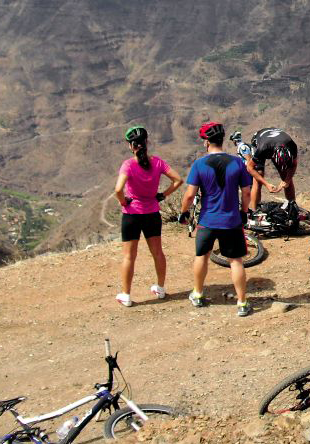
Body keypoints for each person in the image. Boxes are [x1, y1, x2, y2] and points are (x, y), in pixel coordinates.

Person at [180, 122, 253, 316]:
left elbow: (189, 195)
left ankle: (197, 293)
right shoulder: (237, 163)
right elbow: (246, 192)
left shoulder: (199, 164)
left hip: (207, 220)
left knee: (201, 256)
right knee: (236, 261)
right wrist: (244, 213)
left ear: (206, 142)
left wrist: (184, 212)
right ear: (222, 140)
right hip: (231, 221)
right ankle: (242, 303)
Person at [113, 125, 182, 307]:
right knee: (157, 252)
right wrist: (163, 195)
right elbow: (178, 180)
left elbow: (118, 189)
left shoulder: (128, 165)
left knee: (129, 257)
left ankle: (126, 295)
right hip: (152, 213)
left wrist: (123, 202)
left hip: (132, 214)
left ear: (131, 146)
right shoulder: (158, 163)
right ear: (146, 142)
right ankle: (160, 288)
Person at [246, 127, 300, 217]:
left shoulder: (292, 146)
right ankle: (253, 211)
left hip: (277, 142)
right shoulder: (263, 148)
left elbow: (293, 165)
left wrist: (287, 180)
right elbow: (249, 168)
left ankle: (292, 206)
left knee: (285, 175)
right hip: (259, 140)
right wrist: (266, 184)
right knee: (258, 176)